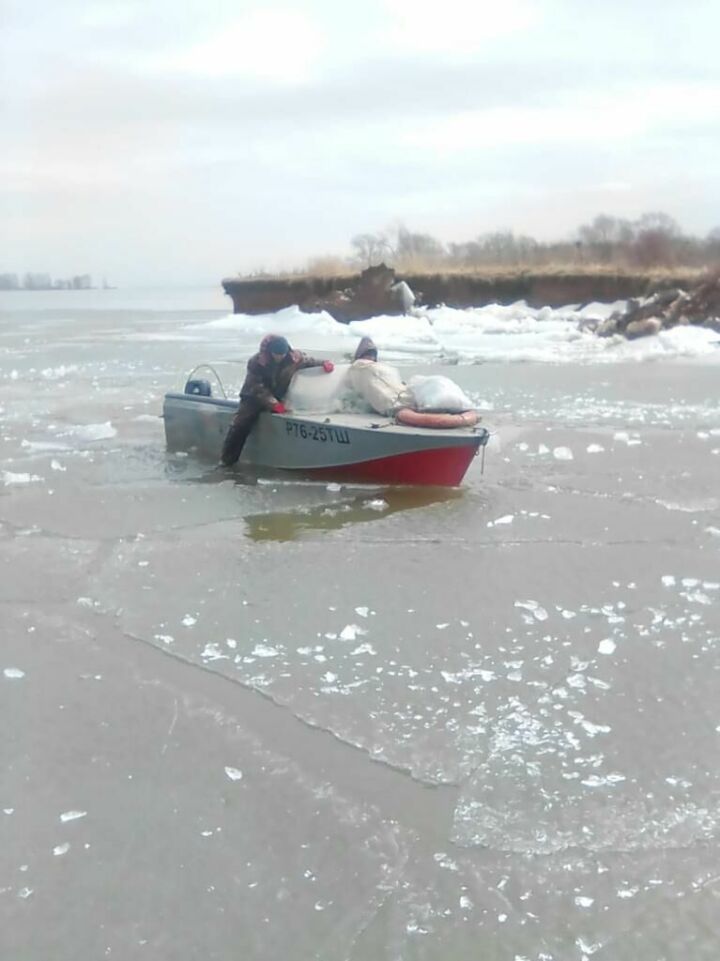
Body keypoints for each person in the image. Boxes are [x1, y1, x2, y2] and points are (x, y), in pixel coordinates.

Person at [221, 334, 334, 466]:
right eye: (276, 354)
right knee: (241, 424)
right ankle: (227, 460)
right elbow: (257, 388)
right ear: (270, 352)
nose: (279, 357)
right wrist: (273, 404)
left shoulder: (294, 358)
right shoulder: (257, 362)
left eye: (282, 354)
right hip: (254, 398)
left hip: (279, 396)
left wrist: (324, 363)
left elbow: (309, 361)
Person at [347, 336, 411, 416]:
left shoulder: (359, 368)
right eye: (369, 354)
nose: (371, 357)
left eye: (372, 354)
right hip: (393, 404)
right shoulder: (363, 367)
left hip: (392, 405)